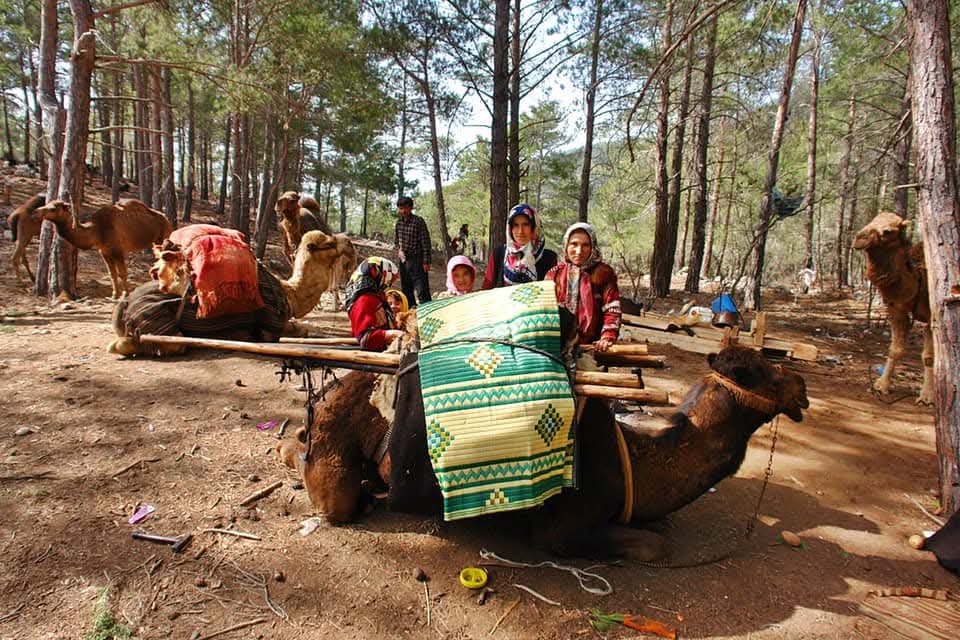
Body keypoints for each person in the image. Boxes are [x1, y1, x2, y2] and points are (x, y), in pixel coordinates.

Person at [546, 222, 621, 352]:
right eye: (574, 244)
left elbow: (611, 308)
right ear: (566, 245)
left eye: (585, 245)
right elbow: (545, 308)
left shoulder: (604, 273)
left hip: (592, 346)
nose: (579, 251)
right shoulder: (554, 273)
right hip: (557, 345)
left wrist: (607, 337)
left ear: (593, 246)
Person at [481, 203, 557, 289]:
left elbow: (553, 292)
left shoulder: (549, 258)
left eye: (526, 224)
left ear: (534, 227)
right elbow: (486, 289)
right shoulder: (499, 255)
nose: (520, 231)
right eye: (516, 225)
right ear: (510, 229)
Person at [344, 257, 404, 351]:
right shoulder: (364, 300)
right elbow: (365, 338)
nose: (389, 284)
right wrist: (394, 334)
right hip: (373, 354)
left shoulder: (376, 297)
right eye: (390, 281)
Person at [394, 196, 432, 306]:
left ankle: (428, 312)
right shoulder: (398, 223)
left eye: (406, 208)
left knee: (422, 289)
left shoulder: (418, 221)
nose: (403, 211)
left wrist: (426, 261)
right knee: (406, 289)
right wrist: (399, 250)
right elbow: (396, 241)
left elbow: (425, 241)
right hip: (404, 260)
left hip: (417, 259)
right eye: (401, 208)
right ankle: (410, 313)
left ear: (411, 208)